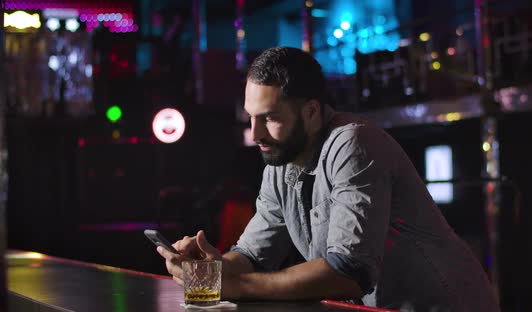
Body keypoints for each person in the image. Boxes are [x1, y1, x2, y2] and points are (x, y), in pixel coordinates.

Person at [157, 46, 500, 311]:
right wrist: (208, 270)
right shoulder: (279, 163)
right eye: (251, 118)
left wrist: (233, 286)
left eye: (270, 118)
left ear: (311, 111)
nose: (255, 133)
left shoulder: (353, 143)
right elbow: (253, 255)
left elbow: (347, 273)